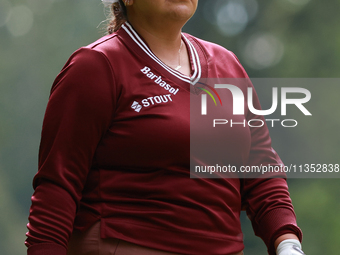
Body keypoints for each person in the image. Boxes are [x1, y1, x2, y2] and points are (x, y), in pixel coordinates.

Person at [25, 0, 305, 254]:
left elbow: (259, 170)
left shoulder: (225, 66)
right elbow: (57, 188)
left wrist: (287, 242)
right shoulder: (97, 66)